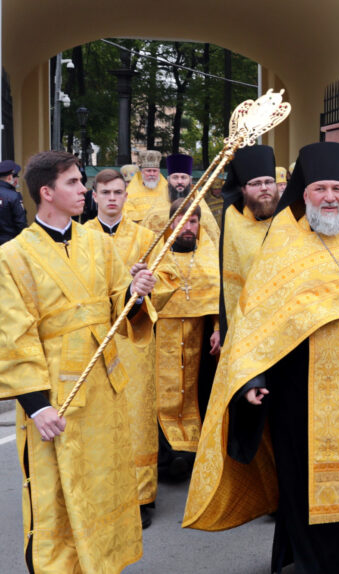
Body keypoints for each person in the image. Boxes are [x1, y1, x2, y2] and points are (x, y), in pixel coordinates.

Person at [184, 141, 339, 574]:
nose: (330, 197)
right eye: (321, 189)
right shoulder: (284, 244)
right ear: (304, 193)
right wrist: (252, 379)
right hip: (300, 389)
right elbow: (257, 318)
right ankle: (311, 561)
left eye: (337, 188)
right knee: (305, 480)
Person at [0, 150, 157, 573]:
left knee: (104, 487)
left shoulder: (98, 243)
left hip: (104, 388)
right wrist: (37, 405)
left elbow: (116, 306)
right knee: (55, 494)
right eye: (73, 182)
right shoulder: (12, 256)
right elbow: (13, 336)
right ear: (46, 193)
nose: (83, 189)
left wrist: (134, 293)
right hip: (56, 397)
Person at [84, 168, 179, 528]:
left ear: (126, 196)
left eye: (117, 193)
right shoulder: (80, 238)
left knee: (137, 417)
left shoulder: (145, 237)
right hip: (95, 338)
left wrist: (147, 283)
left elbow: (169, 279)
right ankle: (102, 494)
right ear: (94, 196)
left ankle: (140, 499)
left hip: (135, 340)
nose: (111, 198)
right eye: (105, 192)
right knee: (98, 418)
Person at [155, 198, 220, 481]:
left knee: (198, 393)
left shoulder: (210, 256)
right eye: (181, 221)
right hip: (162, 339)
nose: (187, 228)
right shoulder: (157, 256)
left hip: (200, 337)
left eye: (192, 221)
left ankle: (194, 456)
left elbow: (220, 297)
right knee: (162, 395)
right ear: (171, 224)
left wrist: (218, 327)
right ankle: (167, 457)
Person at [218, 145, 293, 340]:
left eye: (269, 182)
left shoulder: (290, 219)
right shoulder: (234, 223)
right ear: (243, 189)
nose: (265, 188)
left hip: (288, 324)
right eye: (256, 183)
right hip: (249, 325)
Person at [139, 153, 221, 245]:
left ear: (190, 180)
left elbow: (213, 239)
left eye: (183, 177)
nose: (179, 182)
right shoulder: (156, 213)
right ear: (168, 180)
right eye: (175, 177)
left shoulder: (201, 207)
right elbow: (147, 241)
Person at [0, 159, 27, 244]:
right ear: (9, 178)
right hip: (9, 245)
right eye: (17, 177)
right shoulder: (14, 196)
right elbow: (21, 224)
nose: (17, 180)